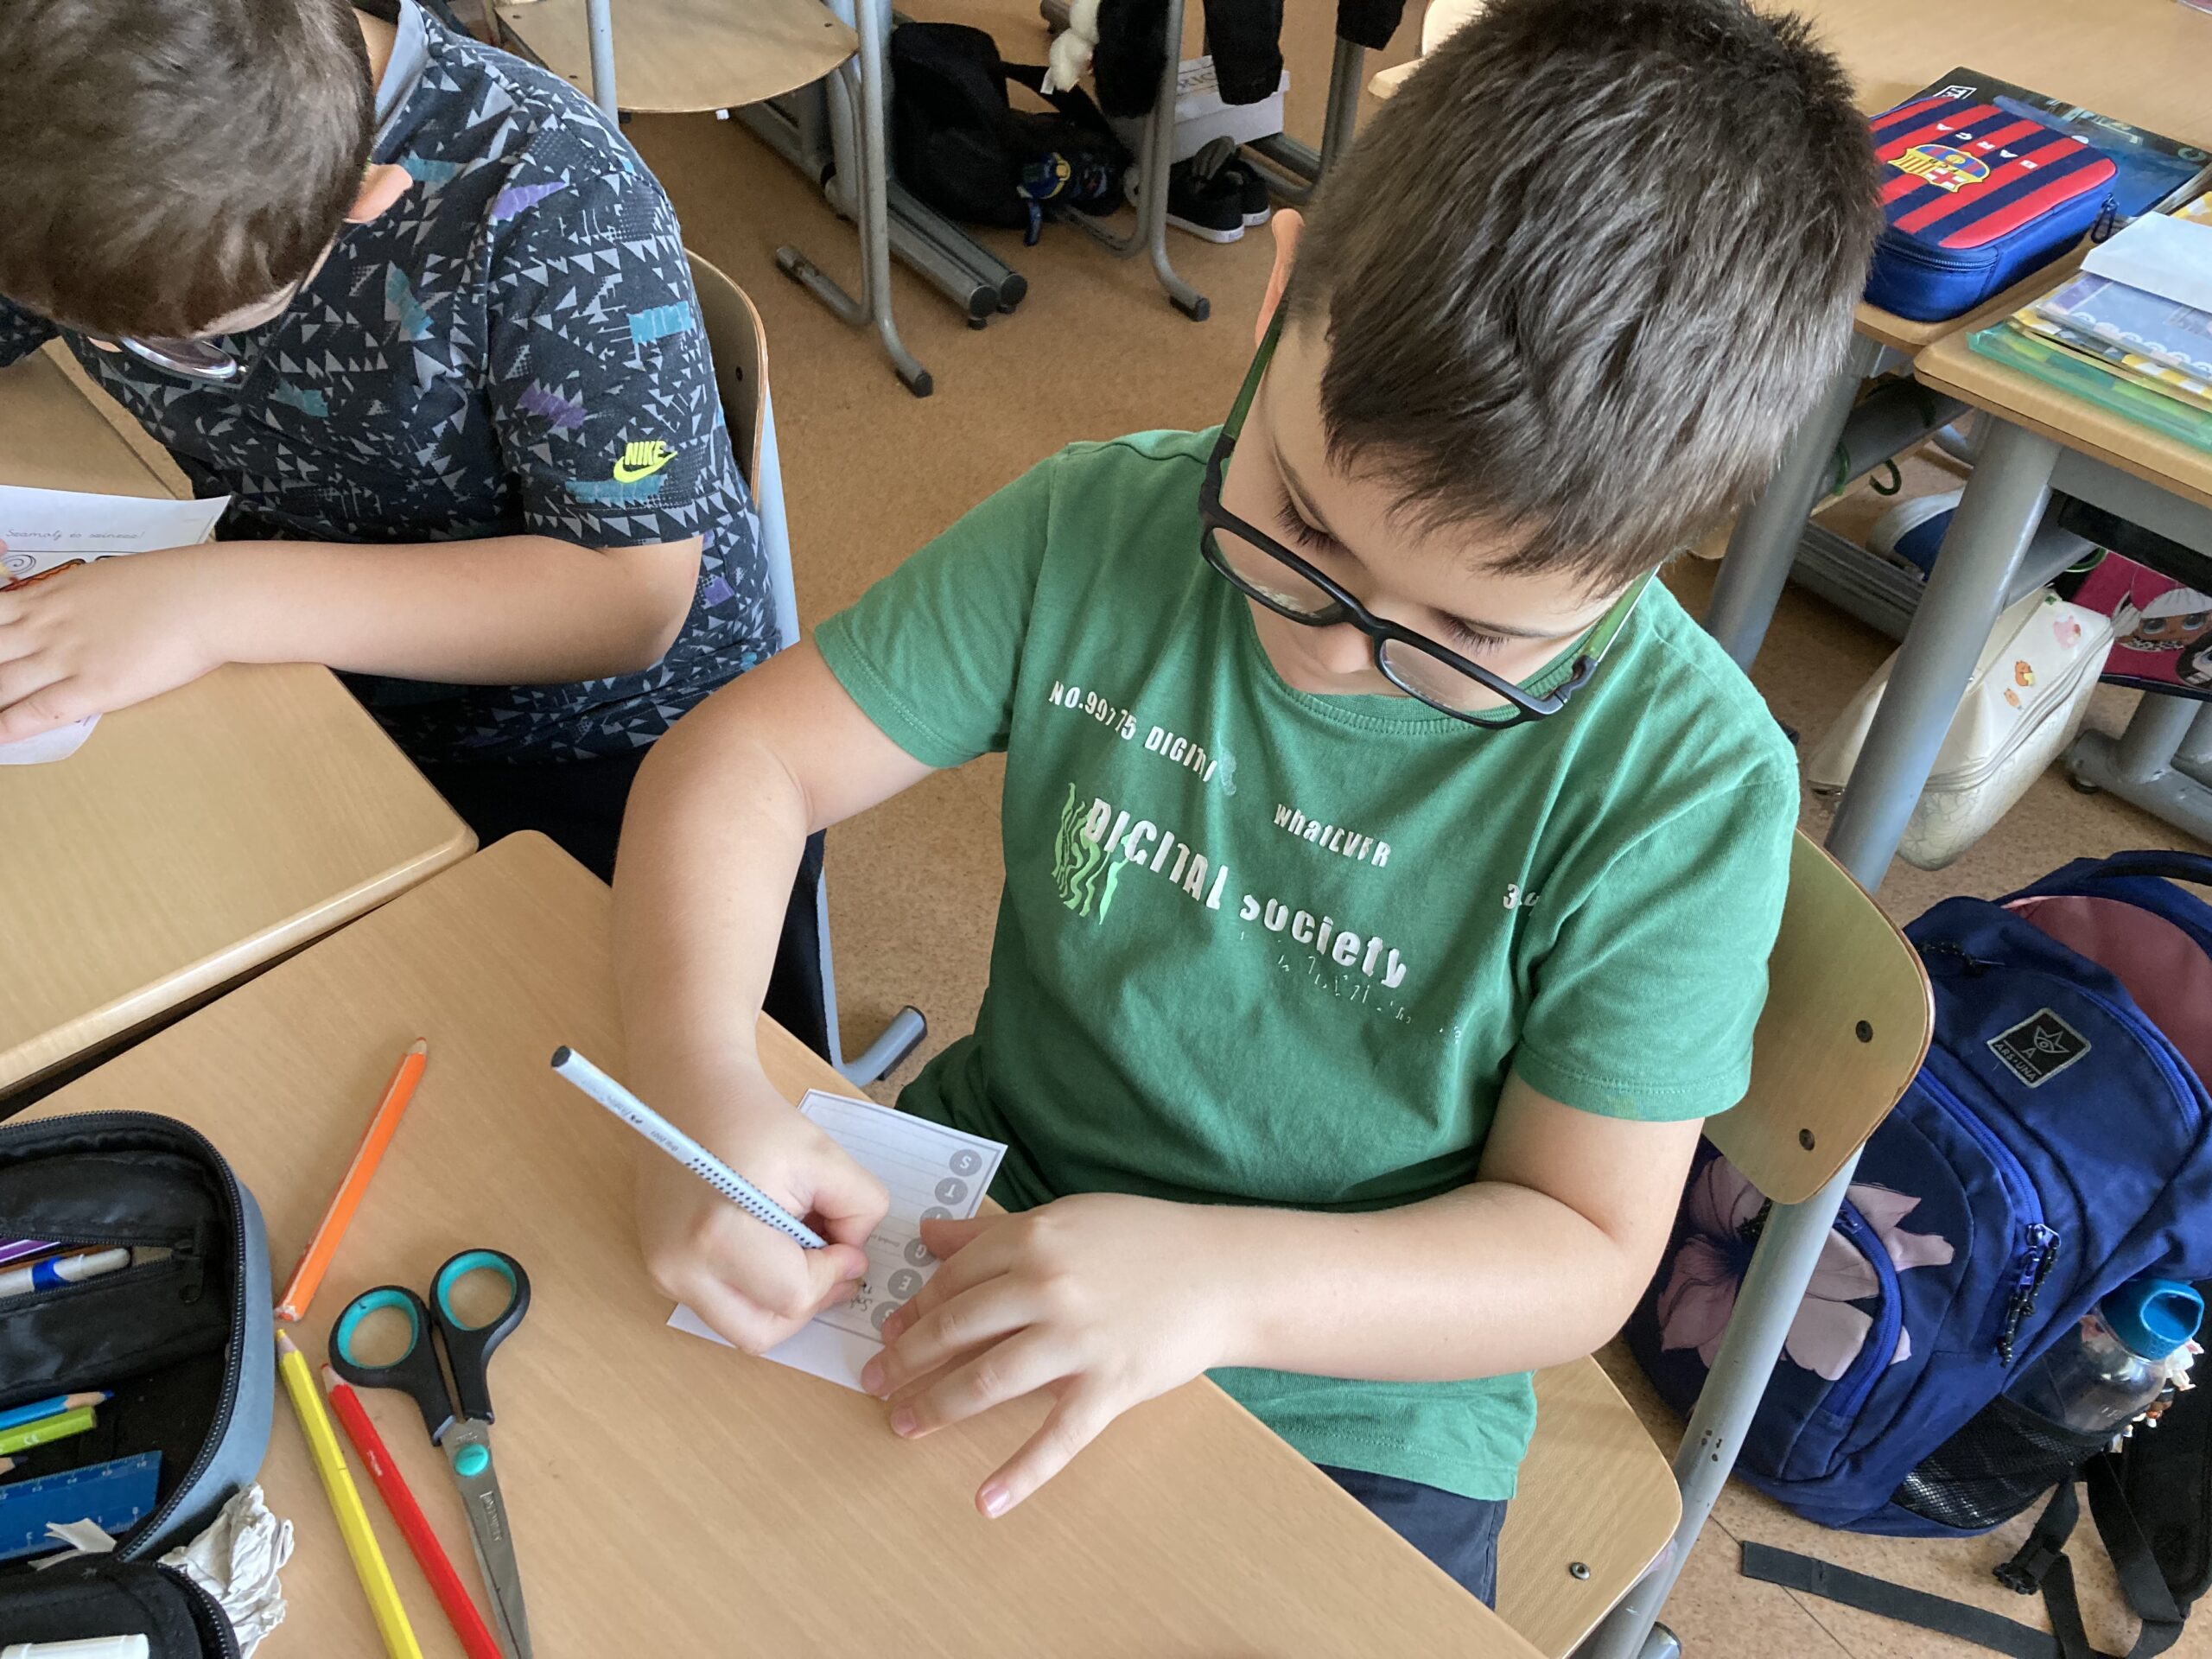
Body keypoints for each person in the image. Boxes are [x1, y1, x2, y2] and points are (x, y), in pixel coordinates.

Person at [612, 0, 1881, 1605]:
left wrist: (1220, 1284)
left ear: (1667, 549)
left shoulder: (1683, 787)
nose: (1339, 651)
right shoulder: (1095, 528)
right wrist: (695, 1075)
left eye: (1475, 640)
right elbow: (742, 765)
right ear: (1279, 299)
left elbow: (1578, 1248)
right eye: (1304, 529)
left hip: (1354, 1387)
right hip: (987, 1212)